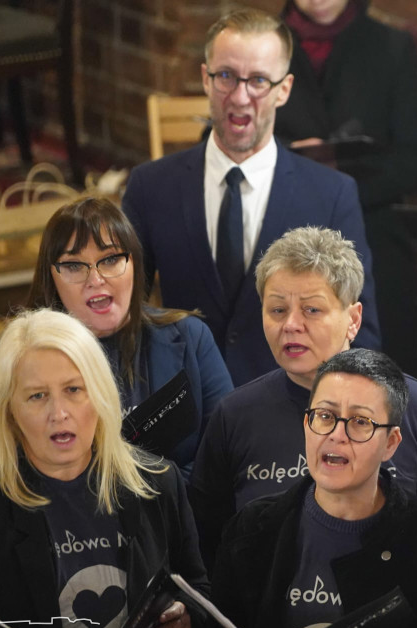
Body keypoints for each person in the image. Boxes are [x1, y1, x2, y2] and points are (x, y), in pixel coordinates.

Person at [0, 309, 209, 628]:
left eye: (73, 389)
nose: (59, 412)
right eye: (37, 396)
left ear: (99, 395)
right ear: (9, 411)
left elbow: (196, 592)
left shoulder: (157, 480)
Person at [122, 7, 381, 388]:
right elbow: (126, 316)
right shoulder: (150, 186)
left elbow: (361, 334)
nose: (240, 98)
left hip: (289, 417)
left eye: (258, 80)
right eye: (226, 76)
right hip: (183, 415)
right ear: (205, 79)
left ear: (284, 89)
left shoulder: (331, 195)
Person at [190, 226, 417, 570]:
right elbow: (205, 555)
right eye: (277, 310)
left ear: (353, 319)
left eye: (312, 310)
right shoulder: (235, 415)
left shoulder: (416, 407)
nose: (291, 325)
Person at [195, 348, 417, 628]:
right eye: (325, 416)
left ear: (391, 443)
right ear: (306, 423)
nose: (336, 434)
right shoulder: (252, 531)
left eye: (360, 422)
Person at [0, 196, 234, 477]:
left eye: (110, 259)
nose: (95, 279)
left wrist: (163, 503)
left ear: (134, 263)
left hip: (179, 512)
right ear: (51, 278)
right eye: (74, 265)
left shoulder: (191, 338)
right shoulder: (16, 355)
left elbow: (226, 454)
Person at [275, 0, 417, 375]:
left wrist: (343, 191)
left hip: (371, 219)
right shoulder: (267, 44)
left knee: (387, 305)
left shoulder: (390, 47)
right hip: (282, 218)